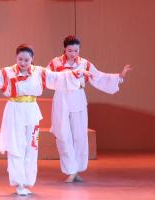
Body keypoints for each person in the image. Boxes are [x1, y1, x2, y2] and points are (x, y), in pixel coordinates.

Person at [46, 35, 131, 183]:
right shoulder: (55, 62)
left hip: (78, 98)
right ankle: (70, 170)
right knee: (63, 135)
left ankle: (76, 170)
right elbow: (46, 77)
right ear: (64, 49)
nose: (73, 54)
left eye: (76, 51)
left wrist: (119, 76)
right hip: (61, 98)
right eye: (70, 50)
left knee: (79, 136)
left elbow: (99, 77)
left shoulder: (84, 63)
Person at [0, 44, 48, 196]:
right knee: (16, 145)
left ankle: (28, 180)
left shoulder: (39, 72)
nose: (23, 63)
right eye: (20, 59)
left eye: (26, 60)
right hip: (15, 109)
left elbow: (58, 78)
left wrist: (76, 74)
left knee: (32, 146)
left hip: (32, 110)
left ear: (32, 59)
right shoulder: (7, 72)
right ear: (16, 58)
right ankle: (19, 183)